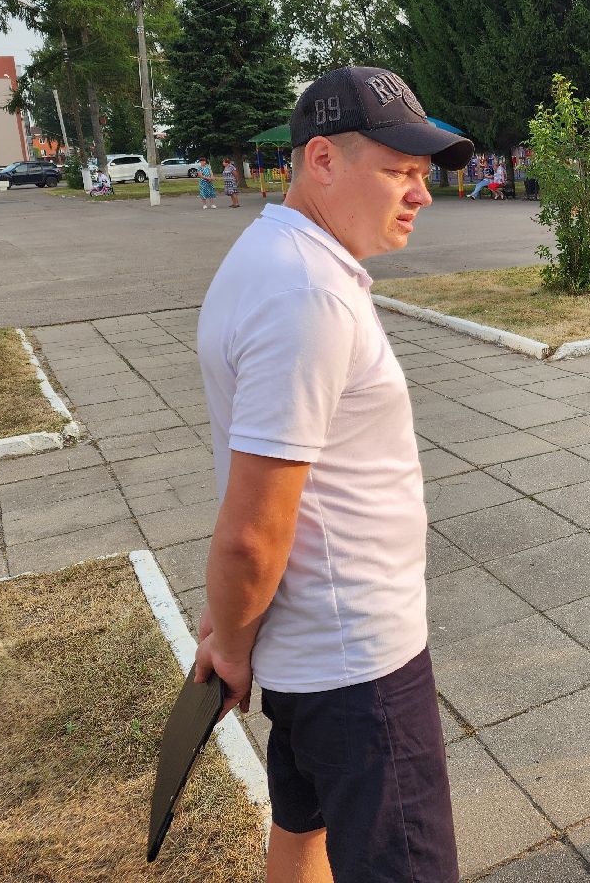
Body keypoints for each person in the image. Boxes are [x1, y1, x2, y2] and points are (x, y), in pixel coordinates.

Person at [194, 66, 474, 883]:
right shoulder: (306, 292)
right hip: (357, 665)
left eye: (423, 176)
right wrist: (233, 642)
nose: (421, 194)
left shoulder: (274, 253)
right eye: (400, 172)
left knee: (302, 829)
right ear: (321, 158)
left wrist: (230, 621)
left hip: (314, 643)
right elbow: (253, 530)